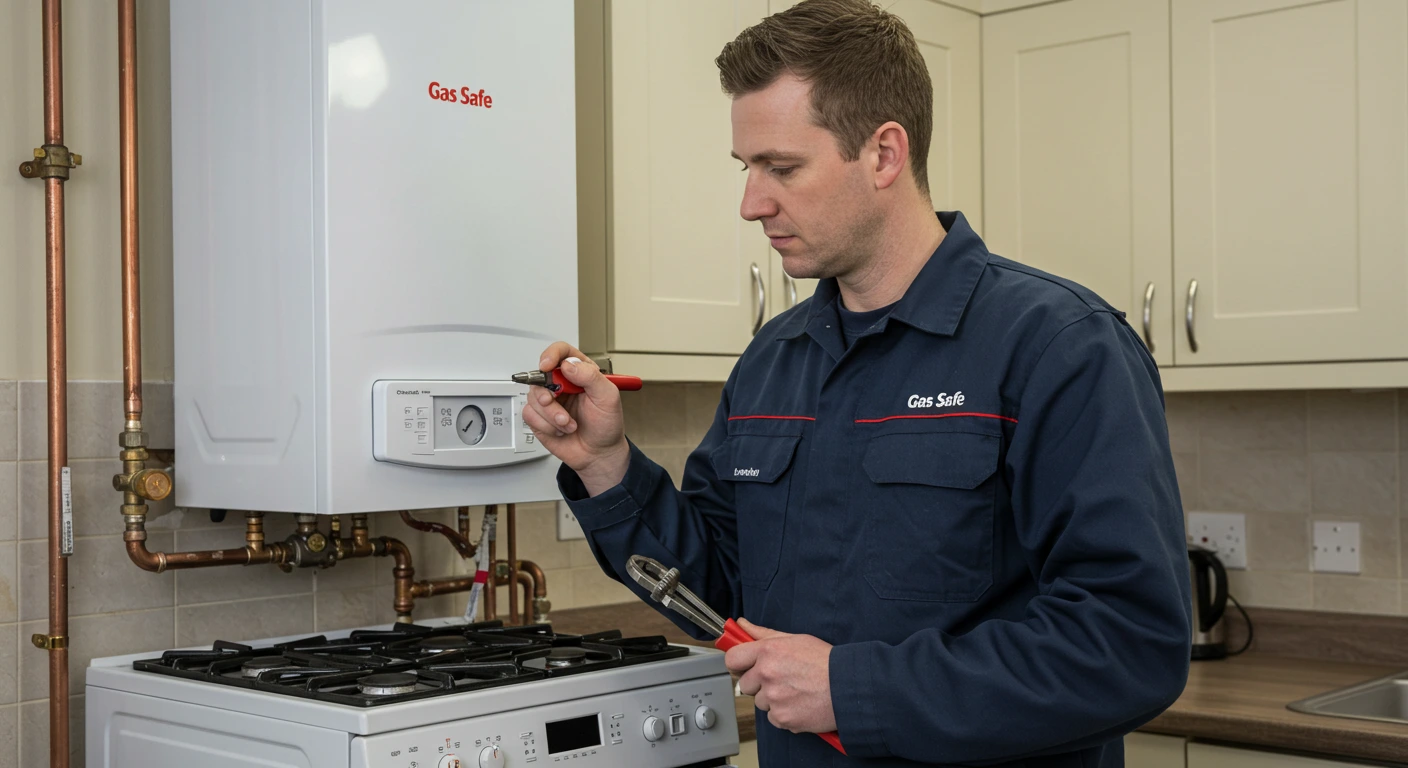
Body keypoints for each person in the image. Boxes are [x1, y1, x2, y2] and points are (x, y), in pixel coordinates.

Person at [522, 0, 1191, 765]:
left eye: (782, 167)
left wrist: (855, 687)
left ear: (883, 154)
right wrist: (605, 465)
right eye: (747, 169)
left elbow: (1128, 643)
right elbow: (717, 591)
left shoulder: (1058, 347)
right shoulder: (773, 359)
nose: (751, 204)